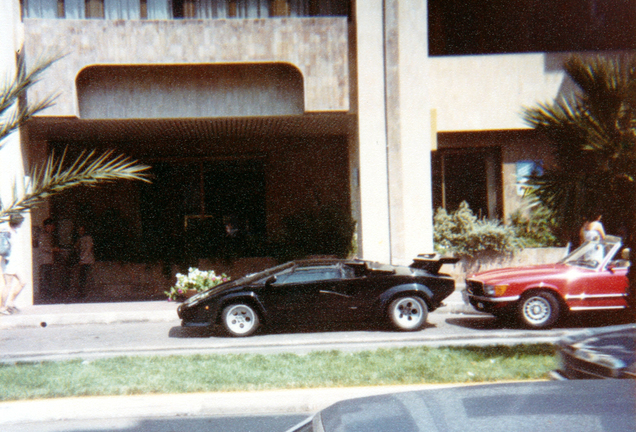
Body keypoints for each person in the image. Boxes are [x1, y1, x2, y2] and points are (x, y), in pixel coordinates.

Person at [1, 214, 27, 314]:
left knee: (23, 281)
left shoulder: (14, 231)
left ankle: (11, 302)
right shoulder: (6, 232)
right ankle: (2, 307)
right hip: (8, 261)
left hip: (15, 261)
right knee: (8, 284)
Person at [37, 218, 58, 302]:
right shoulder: (42, 235)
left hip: (49, 260)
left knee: (49, 277)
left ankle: (48, 294)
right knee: (45, 278)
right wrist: (52, 249)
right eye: (51, 226)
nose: (52, 228)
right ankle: (45, 295)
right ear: (47, 226)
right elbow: (42, 247)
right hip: (44, 260)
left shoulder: (49, 235)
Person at [74, 225, 94, 300]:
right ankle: (81, 292)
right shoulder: (80, 239)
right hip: (83, 261)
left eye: (82, 230)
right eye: (79, 230)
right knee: (81, 277)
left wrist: (82, 258)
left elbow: (88, 249)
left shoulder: (88, 238)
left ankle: (83, 293)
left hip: (87, 261)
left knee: (84, 277)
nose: (80, 232)